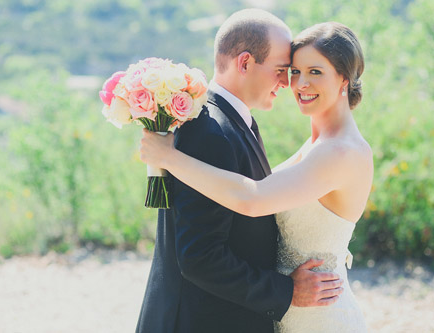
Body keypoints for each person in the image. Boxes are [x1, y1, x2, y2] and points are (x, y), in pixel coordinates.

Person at [139, 21, 372, 332]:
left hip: (317, 309)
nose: (299, 84)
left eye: (315, 72)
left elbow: (253, 197)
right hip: (287, 308)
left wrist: (168, 157)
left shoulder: (340, 151)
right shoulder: (317, 142)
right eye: (293, 72)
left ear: (345, 78)